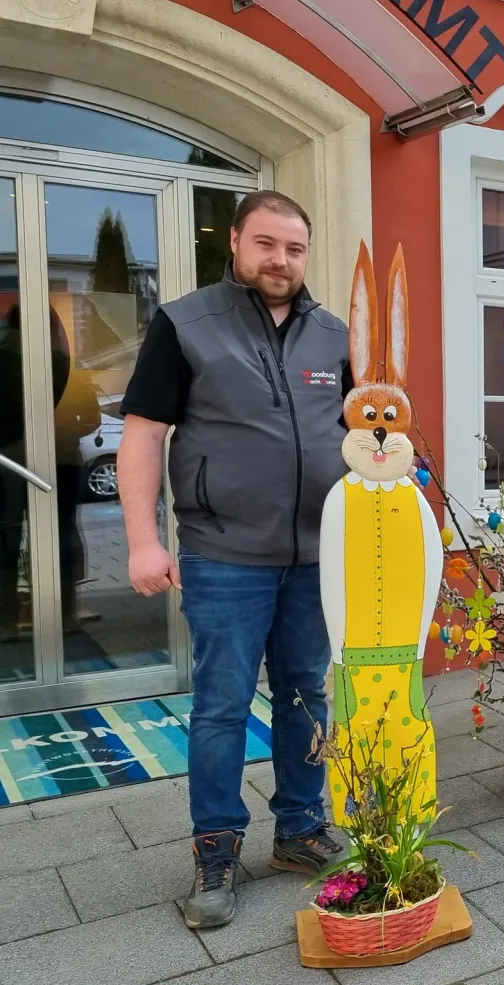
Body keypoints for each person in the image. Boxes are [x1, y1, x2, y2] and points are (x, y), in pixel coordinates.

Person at [119, 190, 353, 928]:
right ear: (236, 244)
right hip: (224, 555)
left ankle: (300, 828)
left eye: (294, 248)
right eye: (266, 244)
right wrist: (143, 540)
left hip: (316, 555)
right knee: (220, 707)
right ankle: (216, 848)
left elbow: (363, 433)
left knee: (306, 695)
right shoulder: (186, 324)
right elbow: (144, 434)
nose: (280, 260)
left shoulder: (335, 334)